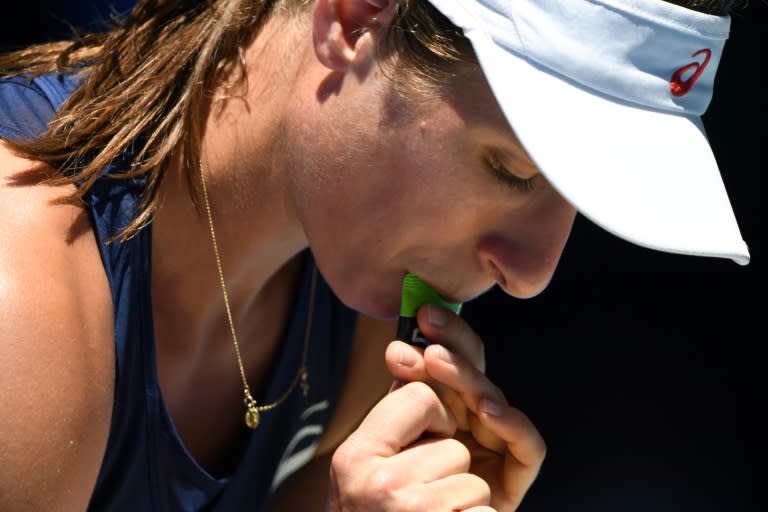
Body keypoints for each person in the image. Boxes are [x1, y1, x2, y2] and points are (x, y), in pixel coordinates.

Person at [0, 0, 750, 510]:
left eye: (581, 201)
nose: (532, 275)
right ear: (356, 18)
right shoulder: (19, 295)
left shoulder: (351, 295)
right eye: (512, 170)